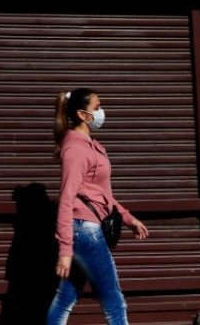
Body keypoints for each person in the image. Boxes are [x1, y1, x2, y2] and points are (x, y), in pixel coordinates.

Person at [47, 87, 149, 325]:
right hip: (84, 232)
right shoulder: (76, 149)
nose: (102, 112)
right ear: (83, 115)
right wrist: (65, 250)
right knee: (114, 302)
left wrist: (128, 218)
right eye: (97, 107)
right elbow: (67, 198)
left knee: (65, 299)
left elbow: (102, 196)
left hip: (86, 229)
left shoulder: (89, 145)